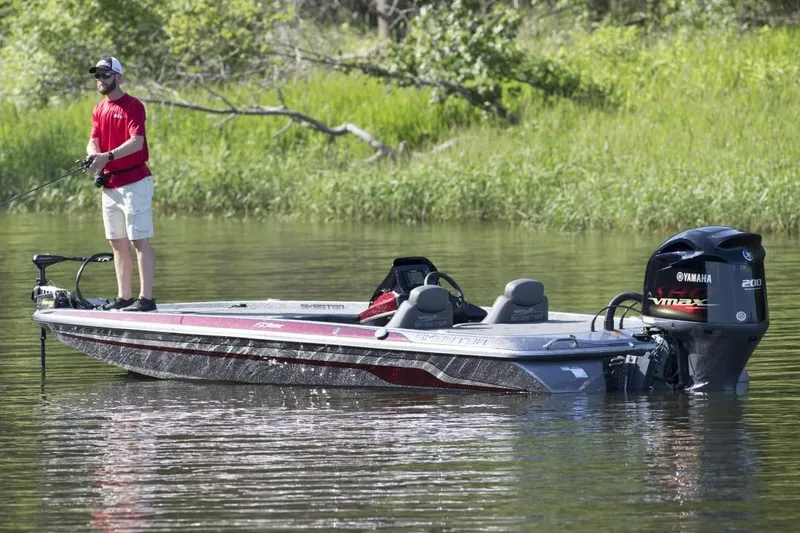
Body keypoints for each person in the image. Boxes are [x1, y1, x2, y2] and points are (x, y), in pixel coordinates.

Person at [86, 56, 157, 312]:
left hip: (134, 182)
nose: (100, 80)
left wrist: (107, 156)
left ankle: (146, 299)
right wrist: (94, 155)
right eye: (97, 75)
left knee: (139, 241)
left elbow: (137, 142)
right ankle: (124, 297)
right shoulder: (99, 108)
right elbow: (93, 140)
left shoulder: (132, 106)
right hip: (110, 185)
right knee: (117, 242)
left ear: (118, 77)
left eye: (105, 75)